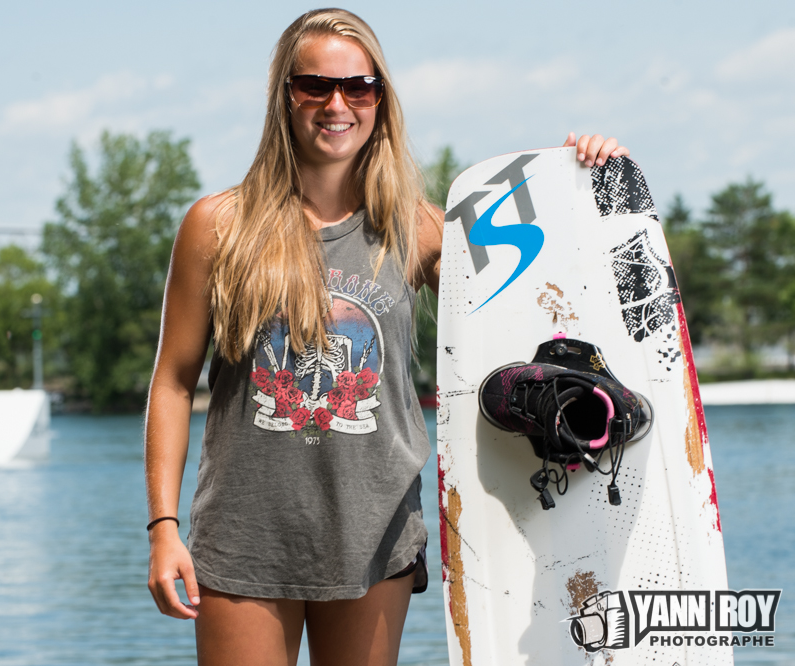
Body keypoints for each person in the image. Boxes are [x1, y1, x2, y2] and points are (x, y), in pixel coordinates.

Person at [145, 8, 629, 666]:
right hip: (245, 538)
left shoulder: (423, 230)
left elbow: (542, 298)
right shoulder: (218, 226)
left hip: (376, 537)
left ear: (380, 99)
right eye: (314, 85)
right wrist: (163, 529)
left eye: (358, 87)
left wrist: (588, 182)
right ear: (284, 96)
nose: (336, 104)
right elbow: (173, 382)